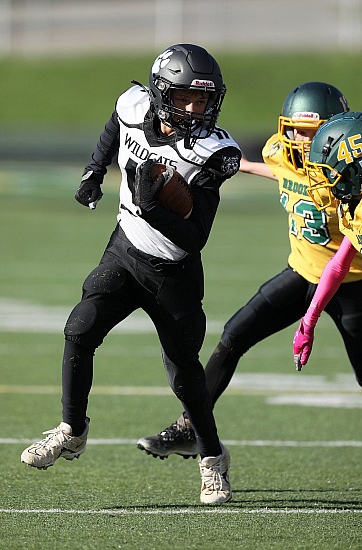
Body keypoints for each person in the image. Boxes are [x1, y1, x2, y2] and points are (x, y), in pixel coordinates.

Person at [20, 43, 242, 505]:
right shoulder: (134, 103)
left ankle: (212, 457)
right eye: (185, 98)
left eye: (203, 101)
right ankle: (72, 429)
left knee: (184, 375)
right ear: (162, 94)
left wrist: (151, 206)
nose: (194, 109)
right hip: (124, 253)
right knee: (79, 329)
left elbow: (194, 235)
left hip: (172, 271)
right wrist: (93, 169)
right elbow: (113, 126)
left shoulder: (210, 151)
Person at [137, 82, 362, 461]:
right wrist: (238, 164)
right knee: (234, 335)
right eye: (295, 129)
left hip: (352, 284)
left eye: (311, 132)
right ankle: (190, 428)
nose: (301, 140)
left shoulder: (346, 175)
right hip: (304, 272)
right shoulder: (281, 151)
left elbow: (341, 259)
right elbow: (284, 173)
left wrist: (309, 320)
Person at [293, 111, 362, 370]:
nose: (322, 180)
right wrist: (308, 323)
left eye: (328, 172)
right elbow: (338, 265)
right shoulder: (354, 205)